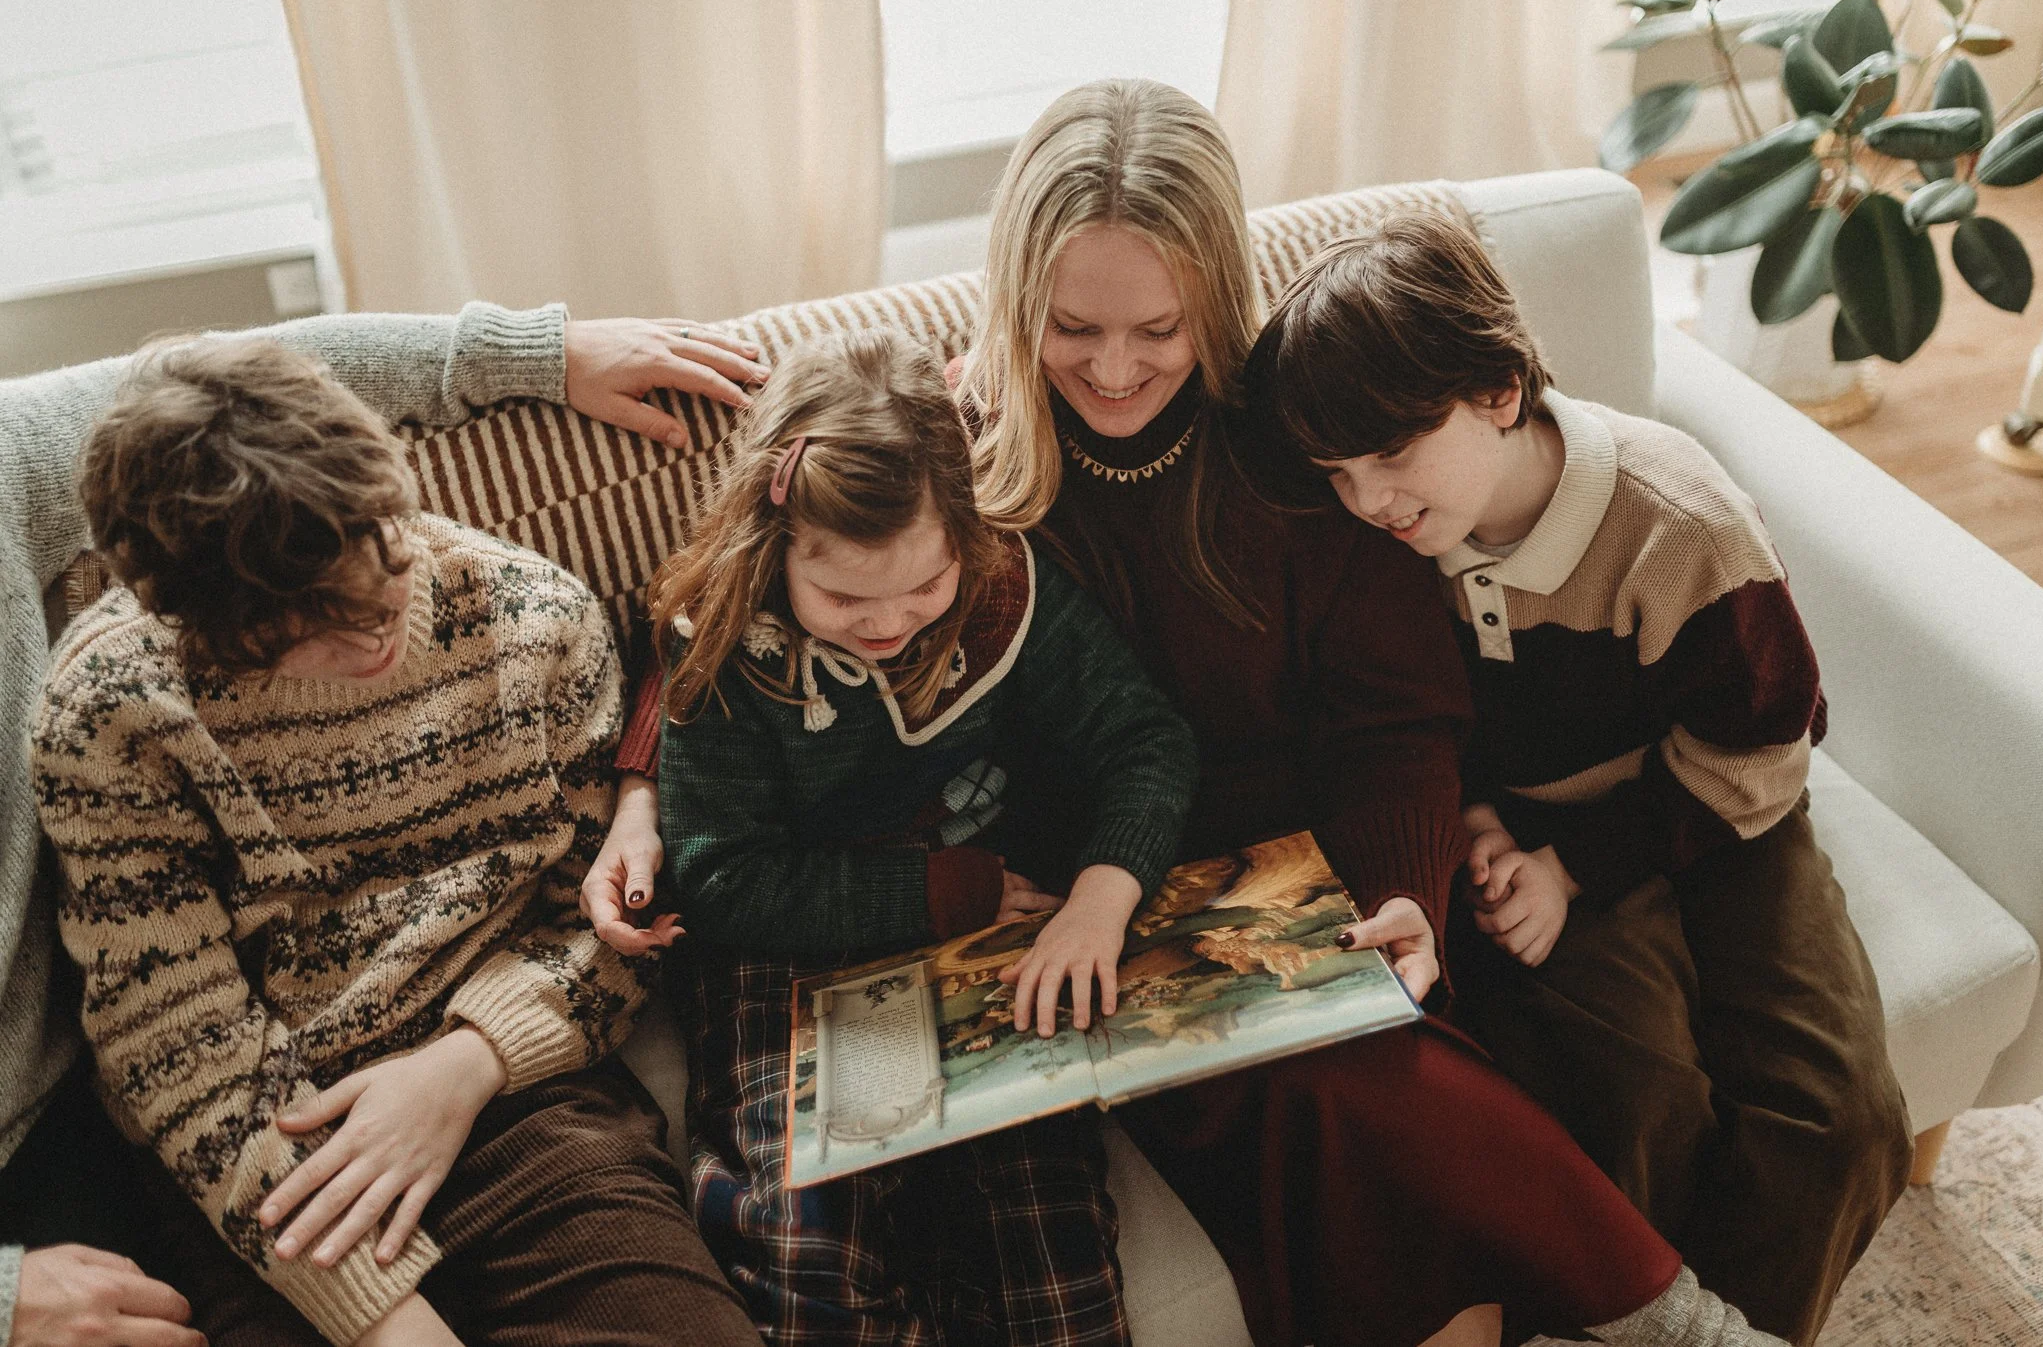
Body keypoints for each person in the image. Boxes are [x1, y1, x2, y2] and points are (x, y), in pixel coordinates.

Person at [593, 80, 1795, 1347]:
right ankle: (1678, 1325)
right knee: (1325, 1096)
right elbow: (740, 592)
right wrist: (638, 791)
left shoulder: (1308, 435)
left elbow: (1394, 719)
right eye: (1071, 328)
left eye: (1158, 329)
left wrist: (1400, 896)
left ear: (1214, 296)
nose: (1115, 370)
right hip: (1111, 885)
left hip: (1319, 862)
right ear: (1014, 303)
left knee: (1394, 1069)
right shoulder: (956, 441)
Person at [0, 303, 764, 1345]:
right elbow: (171, 1035)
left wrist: (470, 1062)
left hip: (519, 1108)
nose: (374, 633)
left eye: (385, 571)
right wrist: (379, 1316)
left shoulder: (531, 619)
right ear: (187, 620)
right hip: (266, 1153)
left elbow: (616, 925)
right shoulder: (111, 710)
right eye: (305, 627)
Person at [1238, 210, 1911, 1344]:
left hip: (1718, 814)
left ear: (1498, 391)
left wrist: (1574, 864)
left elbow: (1760, 747)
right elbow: (1380, 723)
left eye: (1391, 455)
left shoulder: (1678, 522)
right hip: (1525, 835)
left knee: (1836, 1117)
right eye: (1335, 473)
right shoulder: (1376, 544)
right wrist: (1474, 822)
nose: (1367, 501)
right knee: (1633, 1098)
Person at [629, 326, 1197, 1345]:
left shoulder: (1005, 586)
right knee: (807, 1247)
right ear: (776, 549)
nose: (889, 622)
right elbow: (719, 876)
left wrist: (1103, 894)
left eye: (922, 586)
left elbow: (1143, 740)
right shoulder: (722, 643)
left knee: (1045, 1241)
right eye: (844, 596)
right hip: (787, 958)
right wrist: (939, 890)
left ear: (965, 538)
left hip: (982, 941)